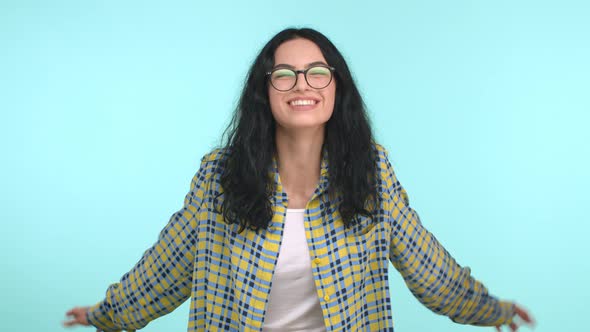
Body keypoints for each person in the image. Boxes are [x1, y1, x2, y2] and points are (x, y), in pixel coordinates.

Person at [64, 27, 534, 331]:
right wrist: (107, 314)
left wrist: (489, 309)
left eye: (316, 73)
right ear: (264, 91)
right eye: (284, 74)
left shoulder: (371, 173)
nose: (302, 85)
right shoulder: (220, 177)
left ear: (336, 87)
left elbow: (425, 261)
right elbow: (168, 265)